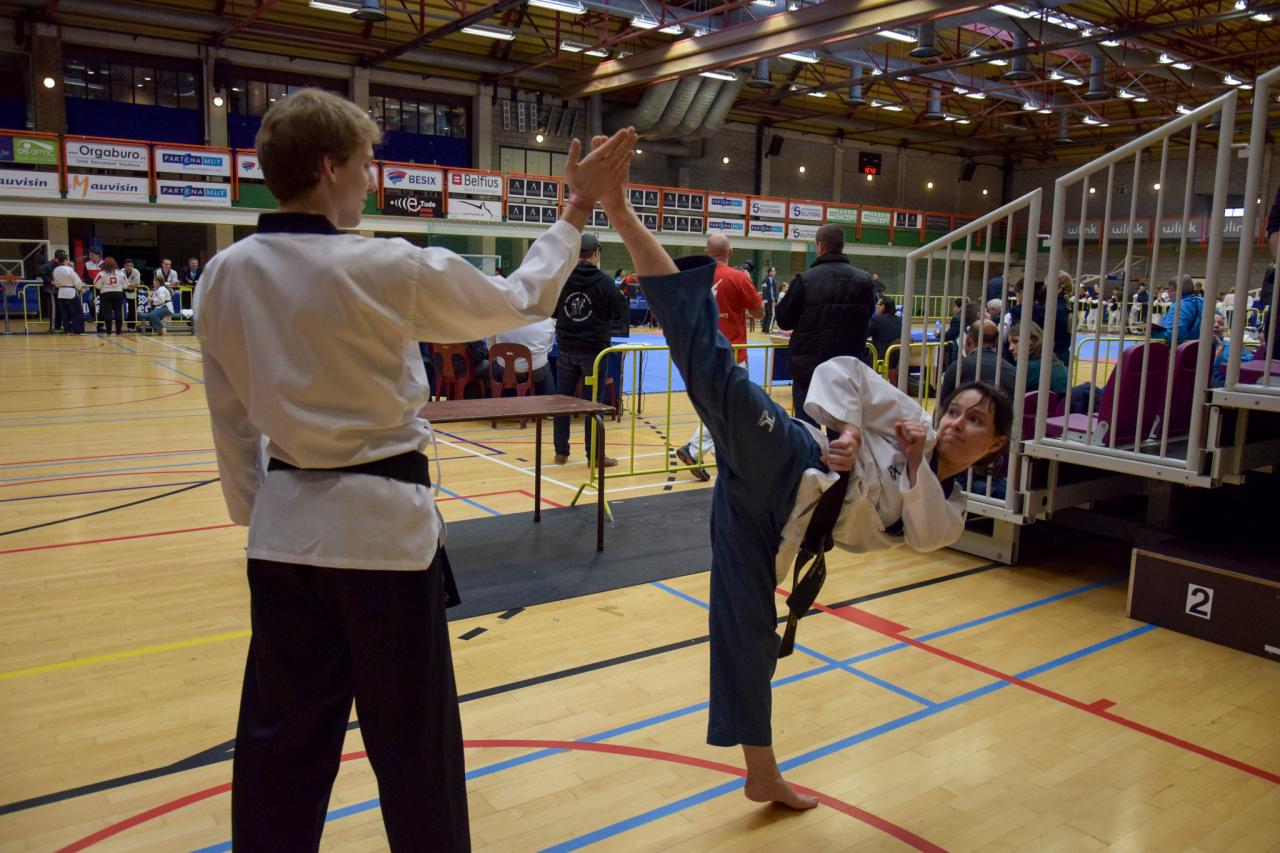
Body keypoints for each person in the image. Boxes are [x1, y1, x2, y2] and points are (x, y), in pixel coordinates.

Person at [195, 88, 637, 851]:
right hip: (383, 545)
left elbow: (231, 422)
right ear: (330, 168)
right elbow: (516, 298)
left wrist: (258, 513)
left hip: (283, 539)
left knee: (278, 746)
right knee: (414, 749)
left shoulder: (223, 274)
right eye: (365, 165)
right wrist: (575, 210)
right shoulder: (385, 266)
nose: (371, 180)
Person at [598, 175, 1010, 809]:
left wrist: (915, 457)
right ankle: (620, 211)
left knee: (747, 632)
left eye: (974, 422)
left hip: (776, 523)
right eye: (954, 410)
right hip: (792, 458)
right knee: (712, 368)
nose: (953, 423)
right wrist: (844, 429)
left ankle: (760, 773)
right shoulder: (914, 420)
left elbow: (925, 533)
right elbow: (840, 371)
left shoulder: (948, 510)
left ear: (995, 447)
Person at [674, 233, 763, 480]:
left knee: (720, 406)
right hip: (731, 353)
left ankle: (720, 452)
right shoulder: (738, 278)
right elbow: (759, 314)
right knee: (729, 407)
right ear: (730, 252)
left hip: (699, 351)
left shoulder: (694, 278)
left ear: (705, 252)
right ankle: (694, 448)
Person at [774, 222, 876, 426]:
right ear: (842, 246)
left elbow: (784, 320)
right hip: (846, 367)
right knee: (840, 428)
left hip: (808, 367)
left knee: (807, 428)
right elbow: (869, 315)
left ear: (820, 246)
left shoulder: (804, 280)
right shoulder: (864, 280)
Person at [552, 231, 627, 467]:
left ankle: (561, 452)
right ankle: (594, 455)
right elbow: (619, 313)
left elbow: (552, 310)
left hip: (565, 348)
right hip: (594, 352)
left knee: (563, 402)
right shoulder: (605, 282)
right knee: (592, 404)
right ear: (596, 254)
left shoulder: (562, 279)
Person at [938, 319, 1018, 405]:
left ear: (968, 341)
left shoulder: (958, 368)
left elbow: (942, 407)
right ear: (996, 343)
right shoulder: (1012, 370)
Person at [492, 317, 555, 396]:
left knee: (493, 366)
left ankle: (500, 396)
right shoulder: (546, 320)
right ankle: (549, 402)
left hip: (504, 370)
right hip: (537, 371)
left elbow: (491, 348)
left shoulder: (498, 319)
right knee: (546, 373)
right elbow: (549, 349)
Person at [1007, 321, 1067, 396]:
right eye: (1010, 343)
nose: (1010, 348)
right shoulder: (1060, 365)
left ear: (1034, 340)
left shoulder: (1025, 369)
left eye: (1015, 341)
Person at [1152, 274, 1203, 344]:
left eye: (1172, 290)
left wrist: (1153, 332)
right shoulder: (1202, 302)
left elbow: (1174, 334)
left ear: (1181, 290)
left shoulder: (1180, 305)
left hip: (1180, 349)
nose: (1168, 293)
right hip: (1196, 347)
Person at [53, 254, 86, 335]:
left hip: (61, 292)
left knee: (65, 313)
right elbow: (76, 281)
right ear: (65, 260)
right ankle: (78, 331)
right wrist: (80, 289)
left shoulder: (55, 270)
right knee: (77, 312)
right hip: (70, 292)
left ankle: (67, 330)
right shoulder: (69, 270)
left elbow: (56, 283)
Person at [866, 295, 901, 369]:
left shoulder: (876, 320)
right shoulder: (900, 320)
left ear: (883, 307)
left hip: (880, 359)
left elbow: (864, 334)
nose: (876, 306)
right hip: (896, 360)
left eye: (877, 304)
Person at [38, 248, 68, 333]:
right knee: (54, 308)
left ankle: (60, 326)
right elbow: (41, 272)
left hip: (61, 290)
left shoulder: (63, 266)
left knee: (61, 308)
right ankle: (54, 327)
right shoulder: (48, 265)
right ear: (57, 258)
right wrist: (50, 281)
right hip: (52, 290)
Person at [96, 257, 127, 336]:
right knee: (118, 312)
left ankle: (109, 331)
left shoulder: (102, 273)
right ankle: (118, 331)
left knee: (107, 313)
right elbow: (126, 285)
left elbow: (96, 284)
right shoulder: (121, 273)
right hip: (118, 293)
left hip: (106, 294)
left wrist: (103, 287)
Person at [121, 259, 141, 331]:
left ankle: (131, 327)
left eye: (131, 266)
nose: (129, 267)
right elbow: (121, 284)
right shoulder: (121, 271)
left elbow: (136, 284)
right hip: (122, 291)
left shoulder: (136, 272)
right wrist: (130, 285)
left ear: (133, 266)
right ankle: (119, 326)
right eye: (127, 265)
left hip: (132, 291)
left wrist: (127, 285)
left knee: (133, 308)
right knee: (119, 308)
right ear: (124, 266)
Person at [760, 265, 778, 334]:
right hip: (771, 299)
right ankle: (769, 329)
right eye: (774, 271)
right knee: (772, 314)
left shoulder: (765, 279)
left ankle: (765, 329)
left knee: (768, 314)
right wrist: (774, 299)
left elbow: (764, 290)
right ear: (770, 272)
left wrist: (764, 299)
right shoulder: (770, 279)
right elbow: (771, 290)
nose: (775, 272)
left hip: (767, 300)